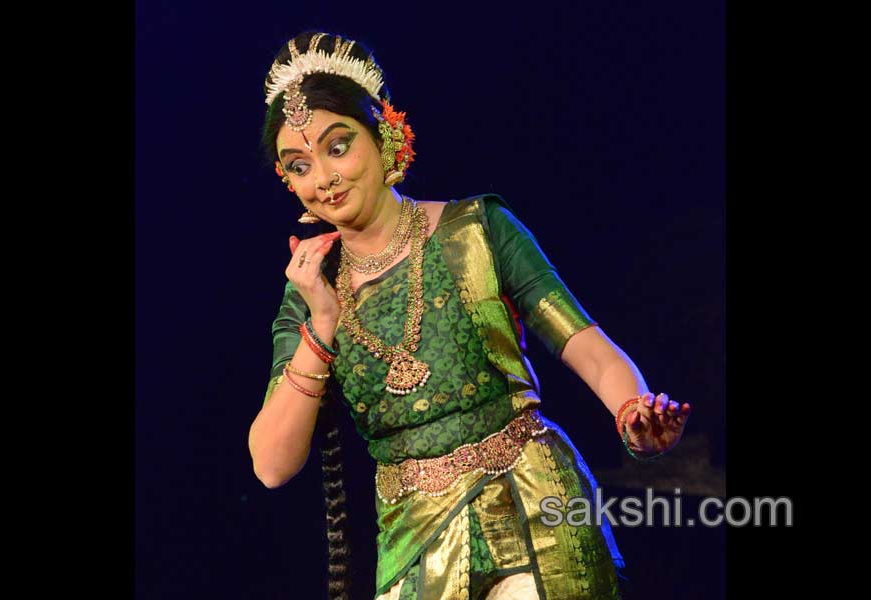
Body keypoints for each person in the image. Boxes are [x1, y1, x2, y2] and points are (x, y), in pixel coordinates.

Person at [248, 31, 691, 600]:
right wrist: (323, 323)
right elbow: (271, 465)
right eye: (300, 164)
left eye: (338, 146)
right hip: (413, 544)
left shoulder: (478, 230)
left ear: (384, 138)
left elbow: (584, 343)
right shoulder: (306, 294)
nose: (324, 178)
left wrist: (634, 410)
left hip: (538, 515)